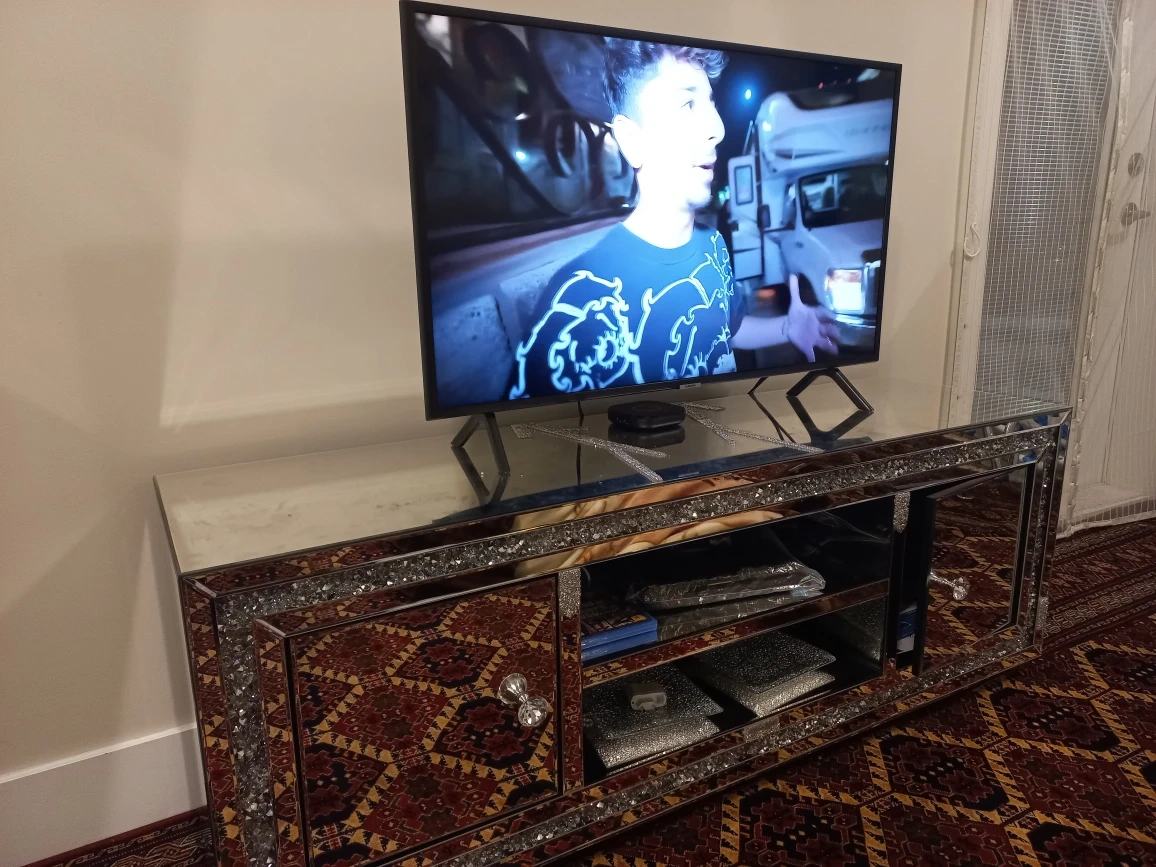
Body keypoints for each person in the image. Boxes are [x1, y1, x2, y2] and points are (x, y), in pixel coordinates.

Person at [509, 39, 838, 401]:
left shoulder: (713, 245)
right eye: (688, 104)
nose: (718, 128)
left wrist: (787, 327)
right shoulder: (580, 301)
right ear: (632, 140)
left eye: (711, 104)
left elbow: (726, 328)